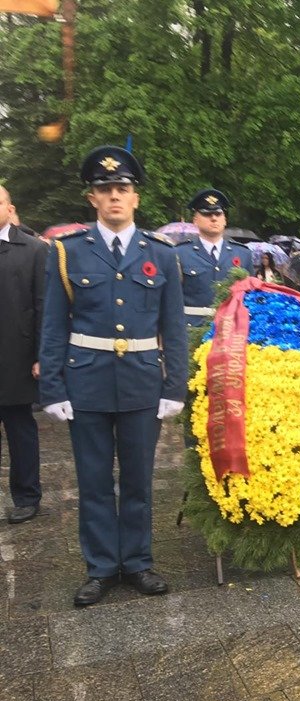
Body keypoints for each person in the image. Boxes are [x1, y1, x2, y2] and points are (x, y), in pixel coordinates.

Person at [39, 146, 188, 606]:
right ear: (93, 199)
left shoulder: (161, 255)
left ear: (136, 198)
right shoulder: (67, 252)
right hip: (87, 381)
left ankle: (139, 562)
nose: (115, 197)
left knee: (140, 480)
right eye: (105, 190)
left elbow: (173, 326)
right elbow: (53, 323)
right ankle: (102, 566)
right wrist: (52, 387)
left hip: (143, 381)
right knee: (94, 480)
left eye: (122, 189)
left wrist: (174, 386)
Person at [0, 185, 48, 523]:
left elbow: (44, 305)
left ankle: (27, 496)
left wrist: (41, 355)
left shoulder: (32, 249)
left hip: (16, 355)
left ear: (9, 207)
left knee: (20, 429)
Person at [174, 188, 254, 327]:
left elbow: (251, 298)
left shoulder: (242, 254)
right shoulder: (180, 253)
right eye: (207, 214)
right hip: (191, 331)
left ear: (225, 220)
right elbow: (172, 299)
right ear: (195, 220)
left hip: (231, 332)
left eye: (218, 213)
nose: (213, 218)